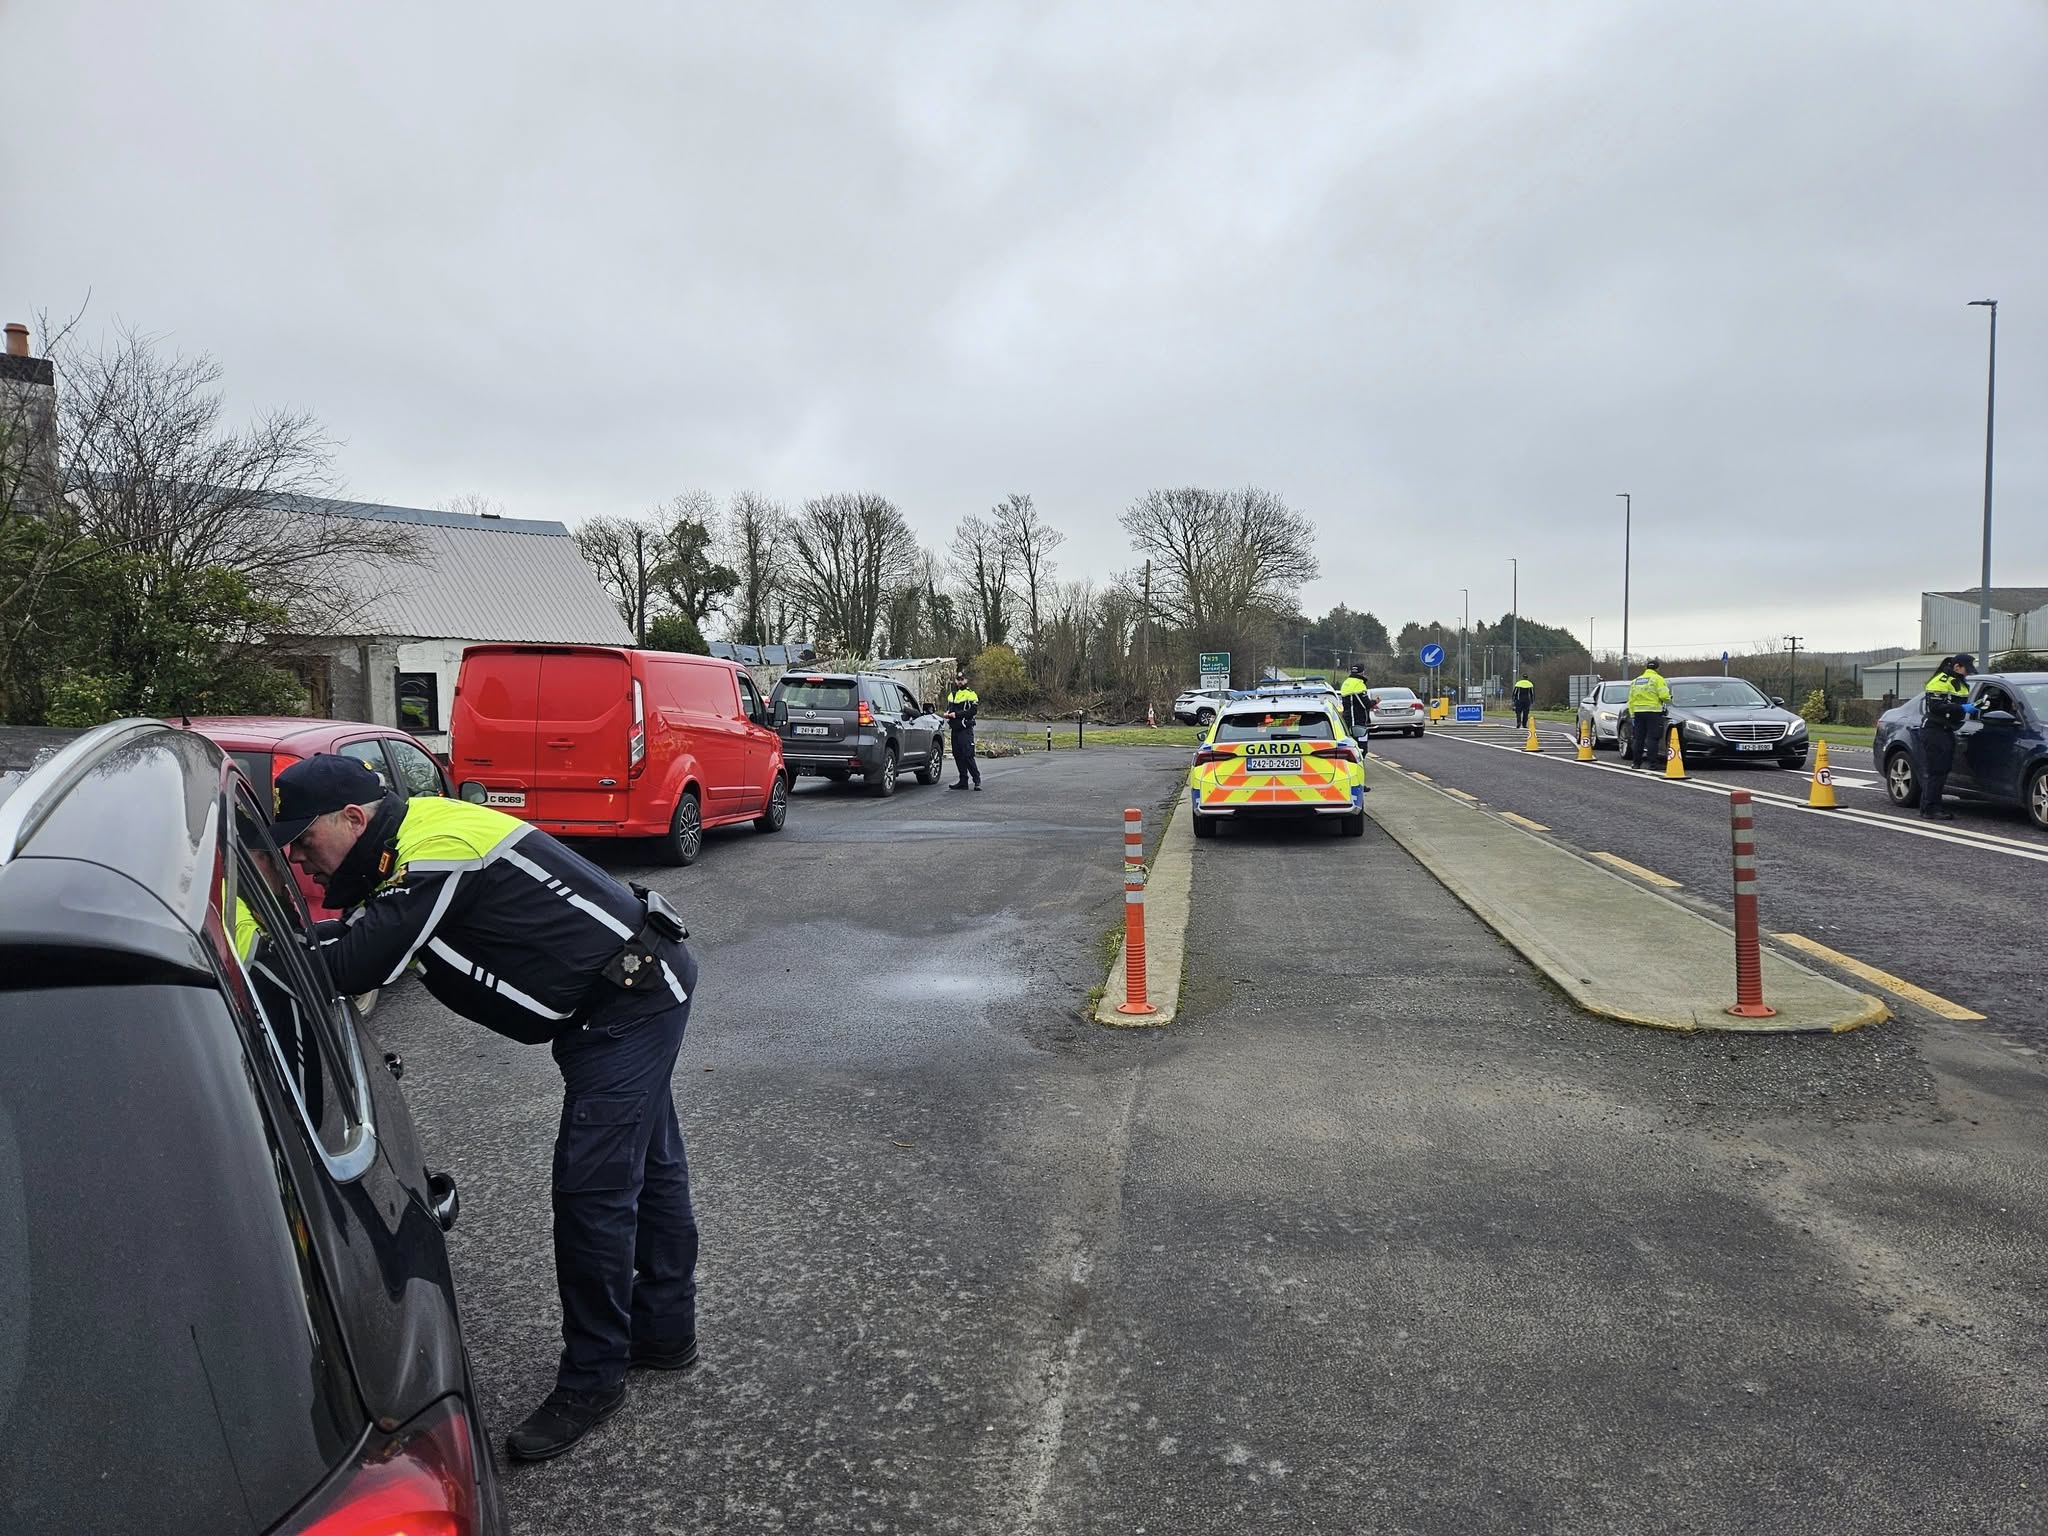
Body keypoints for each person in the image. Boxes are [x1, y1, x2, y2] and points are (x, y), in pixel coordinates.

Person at [269, 754, 702, 1462]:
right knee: (649, 1169)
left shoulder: (435, 851)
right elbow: (354, 936)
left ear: (353, 819)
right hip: (617, 1000)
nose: (300, 858)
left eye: (304, 840)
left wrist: (249, 965)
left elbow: (352, 964)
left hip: (630, 1002)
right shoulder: (405, 853)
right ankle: (664, 1331)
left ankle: (594, 1380)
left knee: (594, 1191)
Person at [1916, 653, 1975, 821]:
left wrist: (1973, 707)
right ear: (1957, 667)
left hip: (1946, 729)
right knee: (1936, 770)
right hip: (1934, 729)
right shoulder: (1940, 680)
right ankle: (1930, 808)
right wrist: (1962, 708)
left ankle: (1930, 805)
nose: (1967, 673)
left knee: (1943, 769)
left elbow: (1957, 703)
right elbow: (1936, 706)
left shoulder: (1960, 682)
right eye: (1966, 670)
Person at [1626, 659, 1672, 769]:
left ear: (1646, 668)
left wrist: (1632, 714)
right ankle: (1653, 764)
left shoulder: (1636, 680)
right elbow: (1664, 696)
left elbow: (1630, 699)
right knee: (1652, 738)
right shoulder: (1658, 679)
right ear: (1657, 668)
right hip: (1653, 712)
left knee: (1639, 738)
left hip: (1638, 713)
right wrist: (1669, 699)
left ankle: (1636, 763)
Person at [945, 668, 982, 790]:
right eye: (958, 679)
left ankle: (977, 781)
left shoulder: (971, 694)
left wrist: (957, 715)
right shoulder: (952, 695)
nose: (960, 681)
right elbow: (950, 709)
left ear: (966, 680)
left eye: (962, 679)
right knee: (958, 755)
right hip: (955, 729)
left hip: (966, 729)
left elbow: (973, 711)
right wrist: (947, 714)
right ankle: (963, 780)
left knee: (968, 755)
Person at [1339, 664, 1371, 742]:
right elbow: (1366, 704)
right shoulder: (1359, 684)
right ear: (1362, 672)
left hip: (1347, 719)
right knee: (1362, 746)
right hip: (1357, 721)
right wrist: (1375, 701)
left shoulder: (1346, 682)